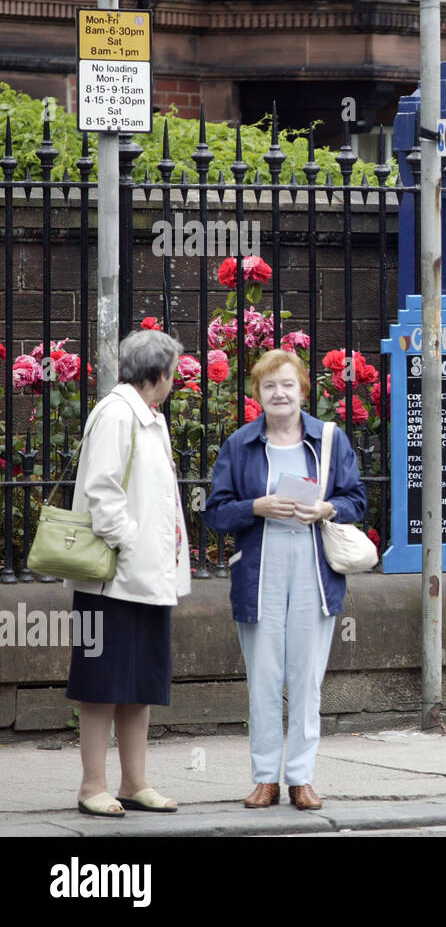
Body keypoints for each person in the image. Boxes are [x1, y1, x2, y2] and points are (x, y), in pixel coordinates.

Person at [205, 349, 367, 810]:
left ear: (302, 391)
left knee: (306, 677)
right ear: (257, 394)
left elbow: (357, 499)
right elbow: (215, 512)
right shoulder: (240, 444)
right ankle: (264, 778)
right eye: (270, 385)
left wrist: (326, 508)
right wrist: (256, 507)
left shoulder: (330, 440)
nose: (279, 393)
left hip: (314, 564)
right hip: (261, 564)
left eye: (288, 384)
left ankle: (300, 777)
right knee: (264, 676)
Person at [65, 329, 191, 817]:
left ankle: (134, 782)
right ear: (157, 374)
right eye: (172, 373)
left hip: (146, 578)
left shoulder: (147, 418)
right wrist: (133, 543)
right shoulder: (118, 414)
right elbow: (102, 491)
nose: (175, 382)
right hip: (111, 579)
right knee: (101, 684)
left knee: (140, 683)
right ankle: (91, 785)